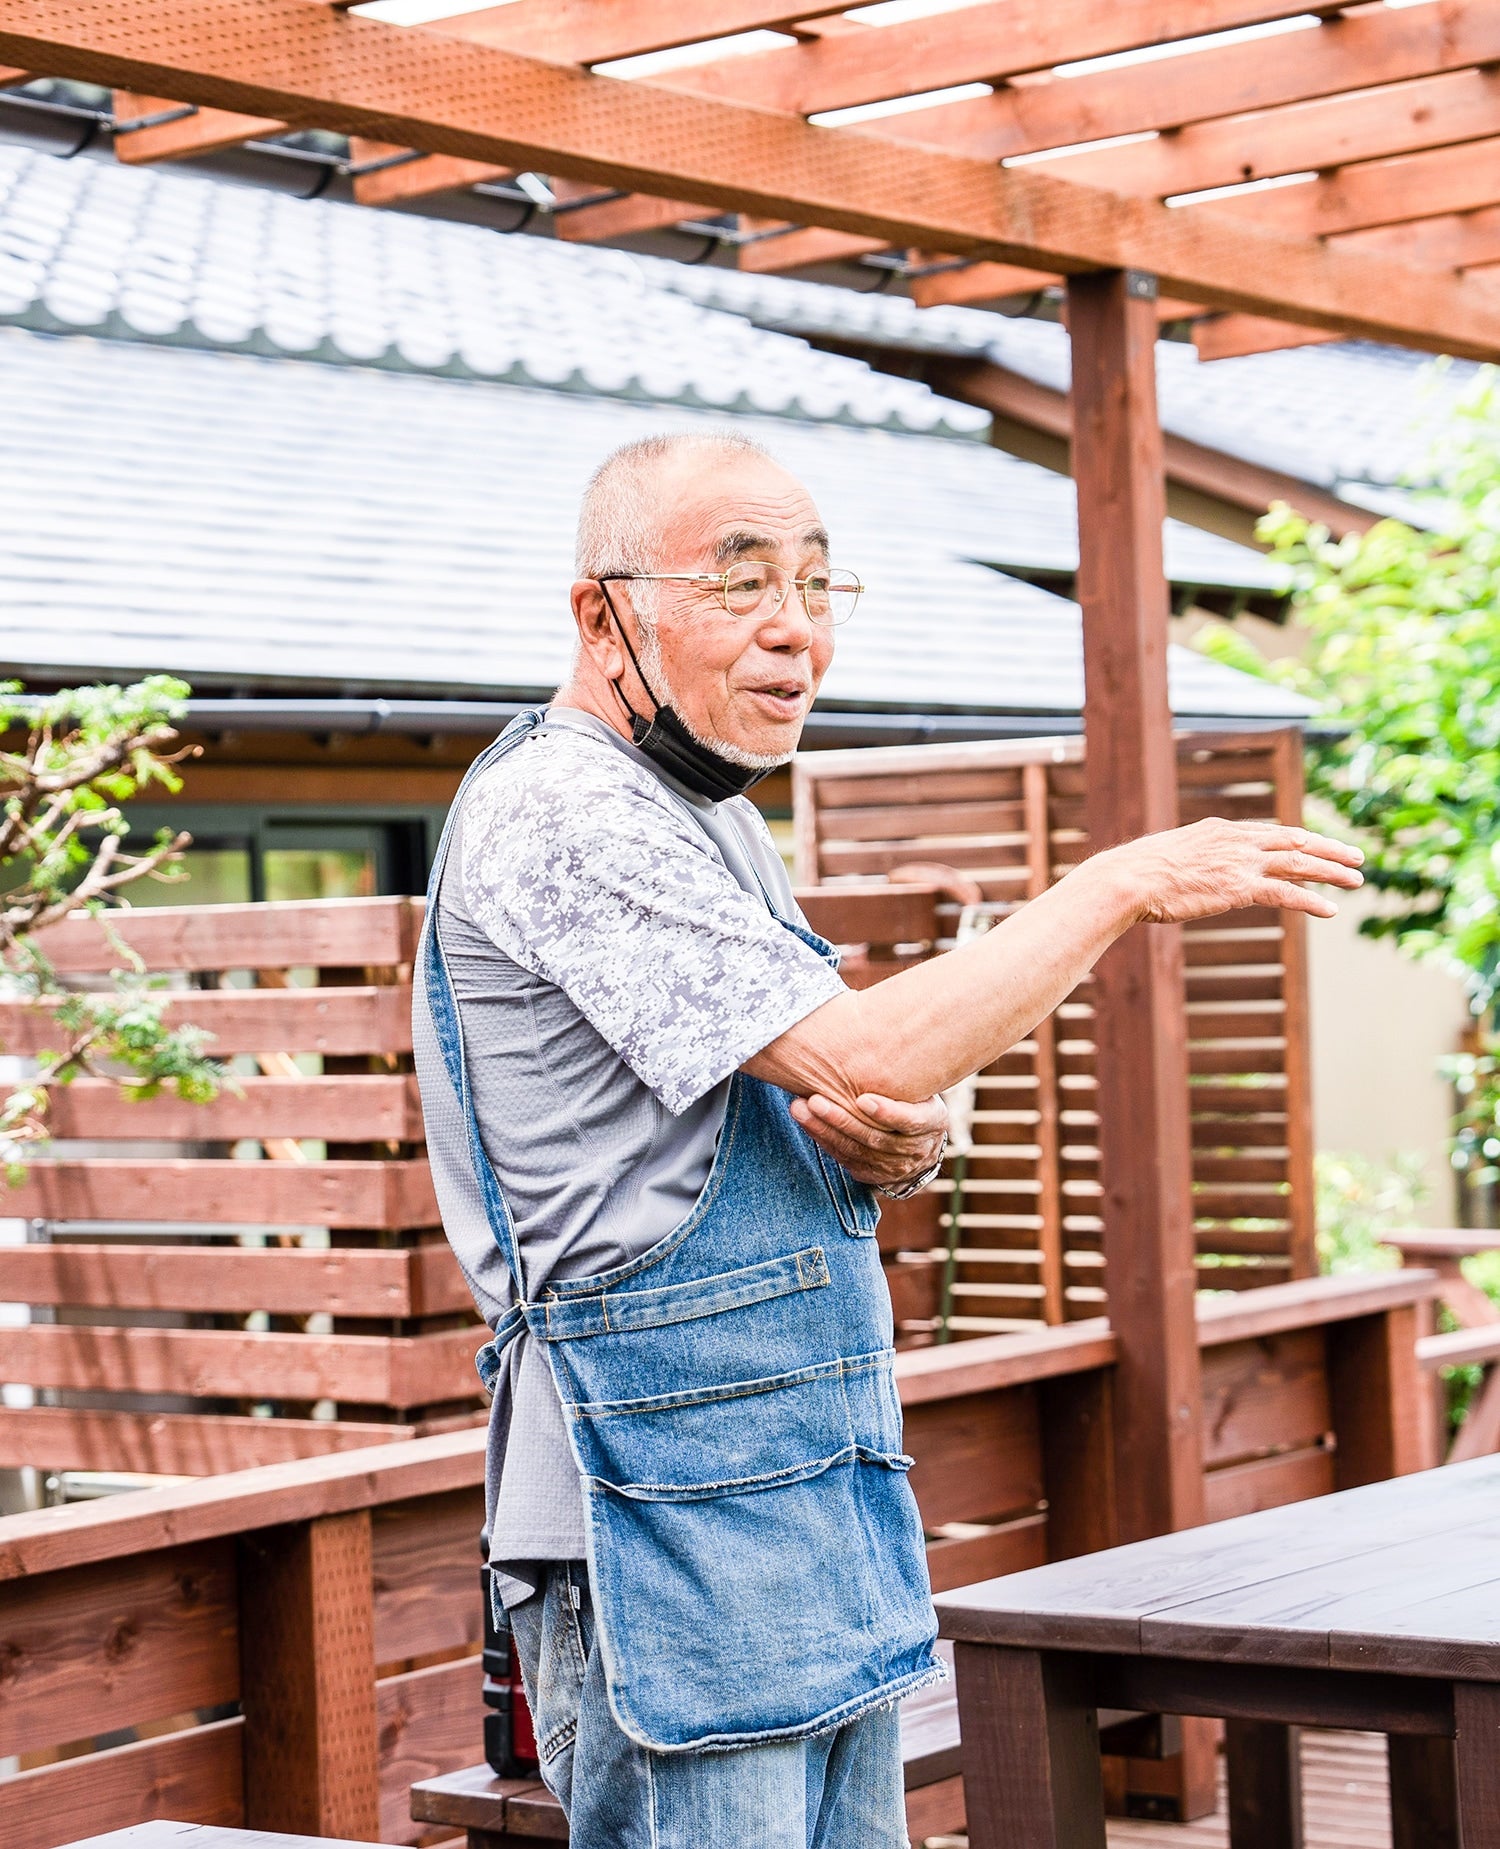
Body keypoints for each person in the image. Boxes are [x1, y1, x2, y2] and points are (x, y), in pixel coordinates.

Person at [413, 429, 1363, 1849]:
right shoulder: (559, 809)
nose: (795, 626)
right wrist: (1127, 878)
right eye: (740, 584)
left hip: (809, 1491)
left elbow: (849, 1086)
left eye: (815, 581)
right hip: (653, 1515)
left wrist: (903, 1140)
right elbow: (863, 1045)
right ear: (599, 611)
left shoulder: (707, 818)